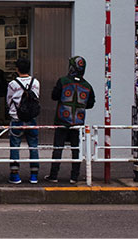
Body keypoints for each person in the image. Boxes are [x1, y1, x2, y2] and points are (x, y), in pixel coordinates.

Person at [45, 56, 95, 184]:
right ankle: (74, 177)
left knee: (58, 148)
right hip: (77, 123)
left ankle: (54, 175)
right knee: (76, 150)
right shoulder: (88, 86)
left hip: (62, 120)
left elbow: (54, 96)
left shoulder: (63, 81)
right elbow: (90, 104)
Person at [6, 58, 40, 184]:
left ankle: (15, 175)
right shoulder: (35, 82)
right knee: (33, 146)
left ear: (17, 69)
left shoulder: (12, 84)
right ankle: (34, 175)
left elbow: (9, 101)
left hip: (16, 119)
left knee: (15, 147)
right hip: (31, 119)